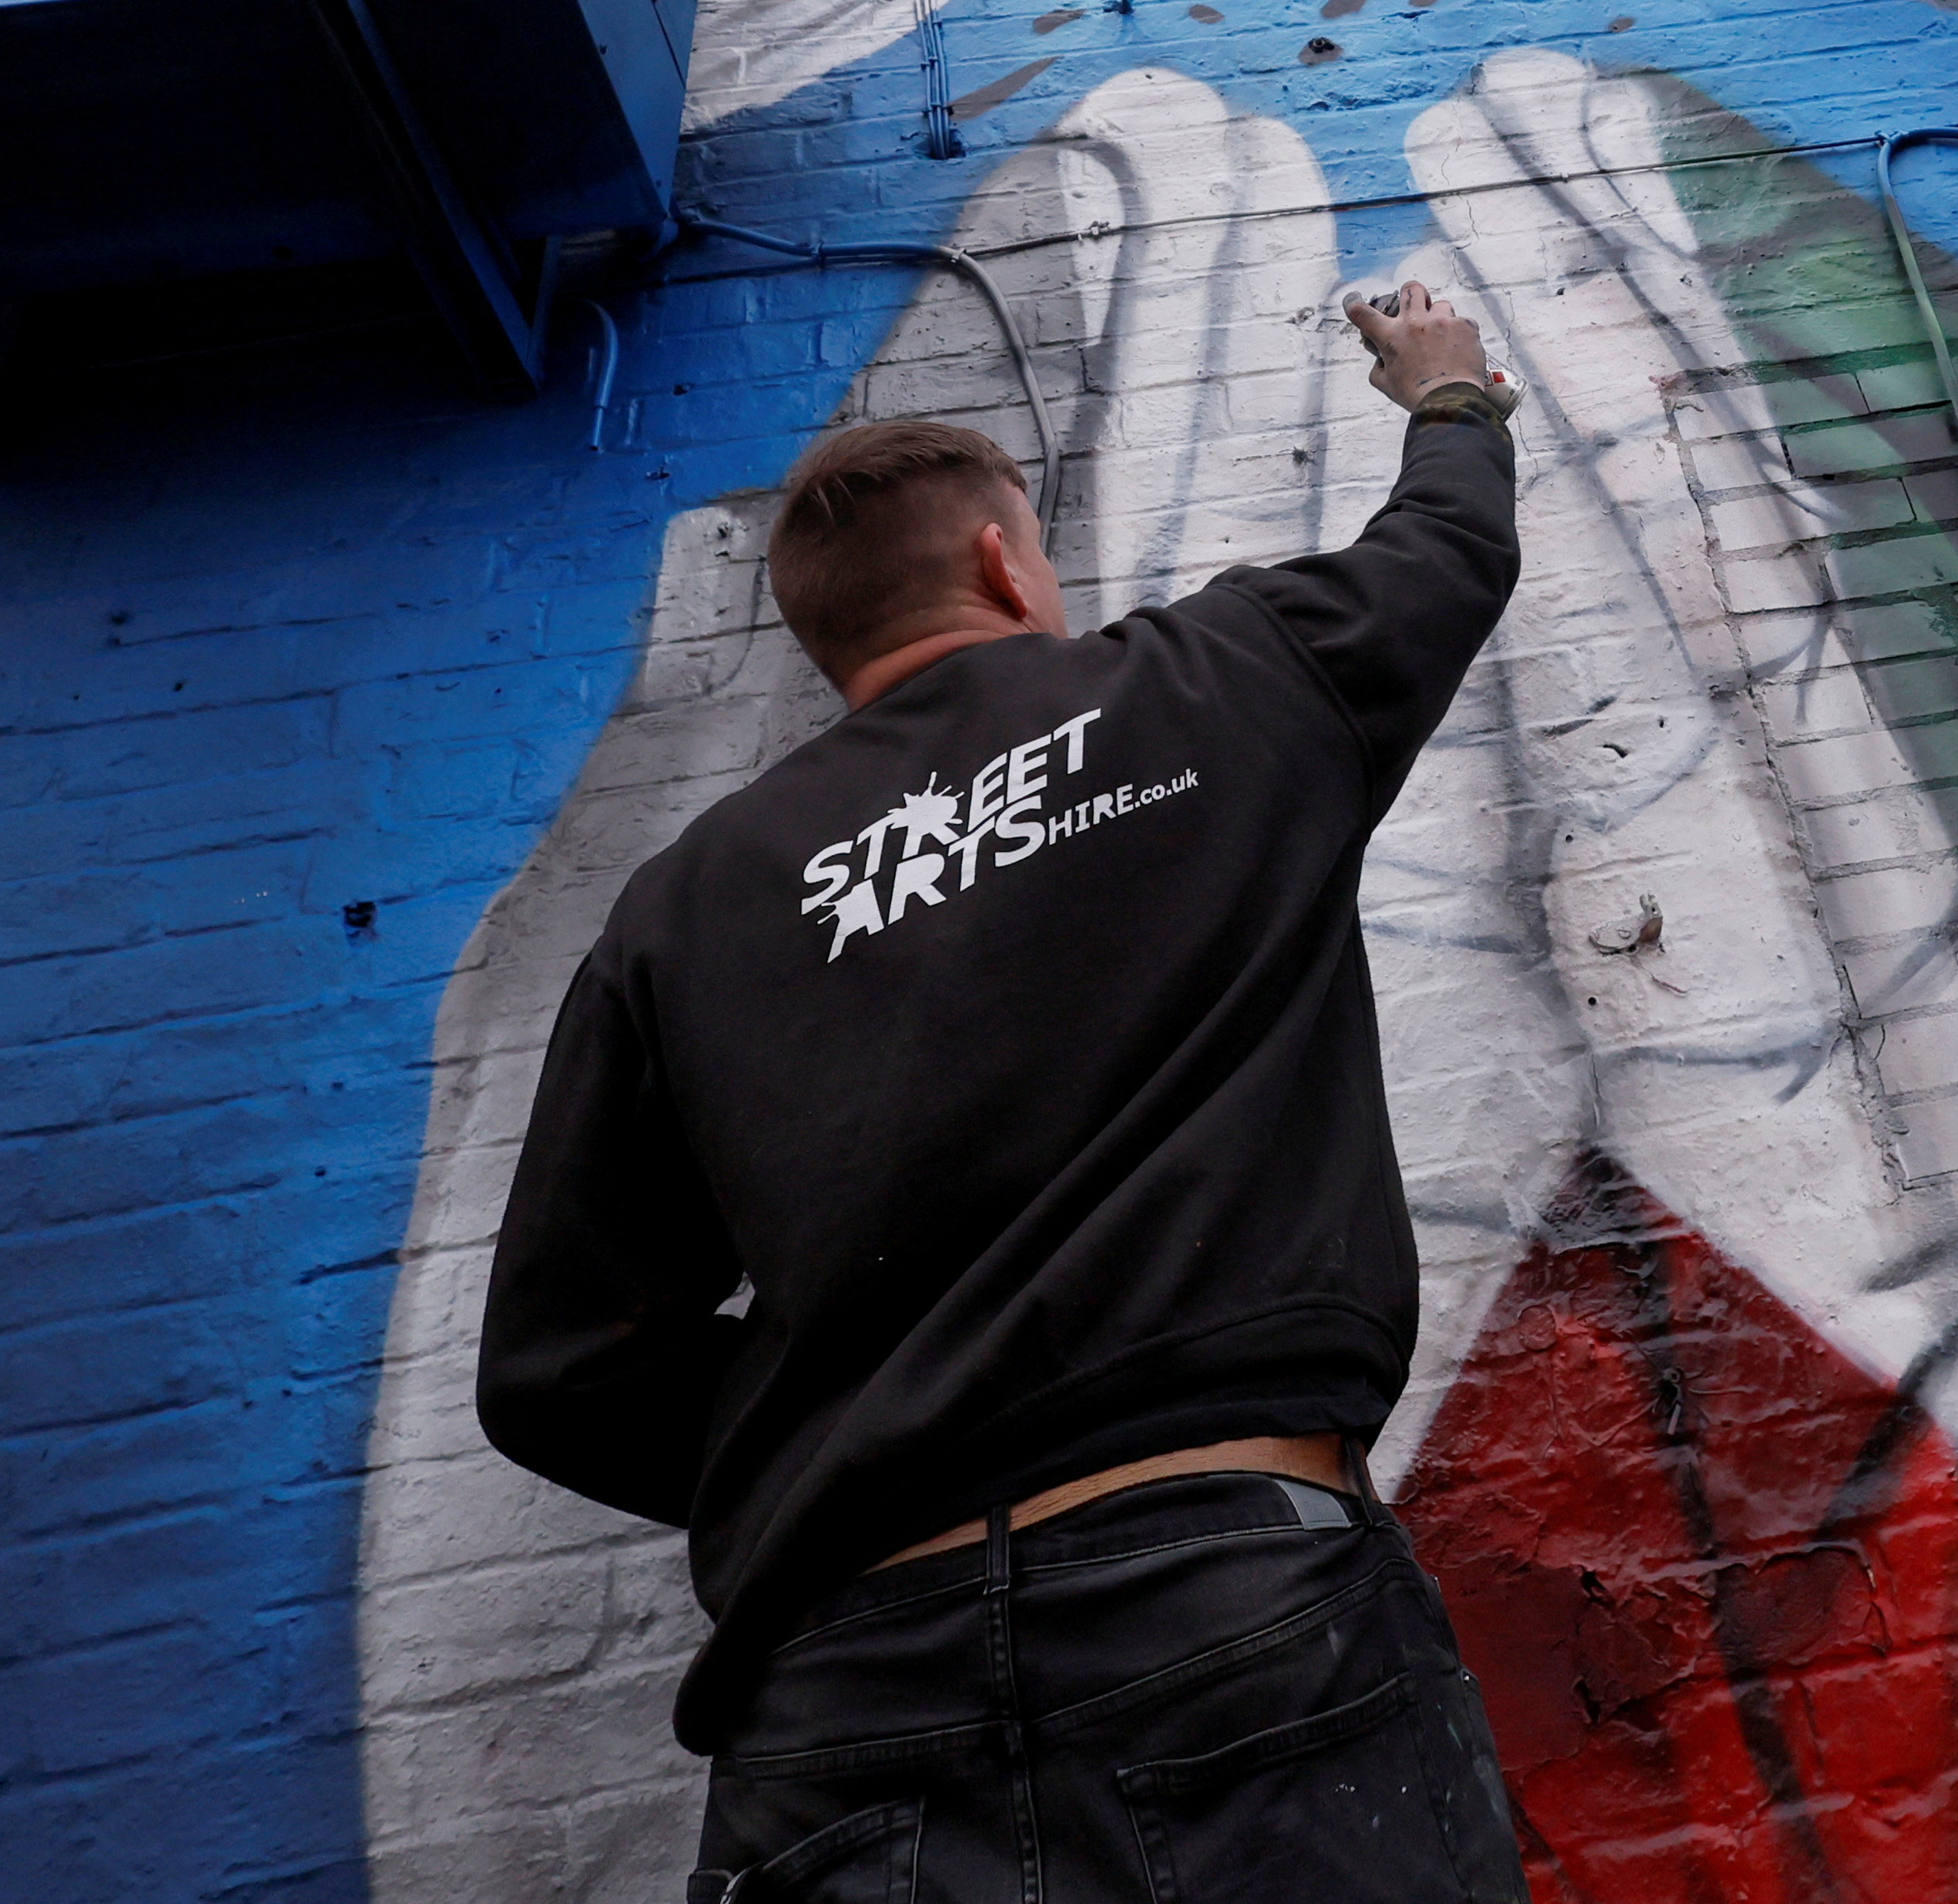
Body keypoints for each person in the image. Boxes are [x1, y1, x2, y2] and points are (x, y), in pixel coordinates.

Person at [477, 281, 1533, 1902]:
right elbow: (1442, 554)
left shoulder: (676, 914)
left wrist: (853, 1426)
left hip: (835, 1690)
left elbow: (556, 1368)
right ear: (998, 561)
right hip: (1228, 1618)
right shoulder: (1214, 681)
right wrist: (1448, 393)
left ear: (831, 635)